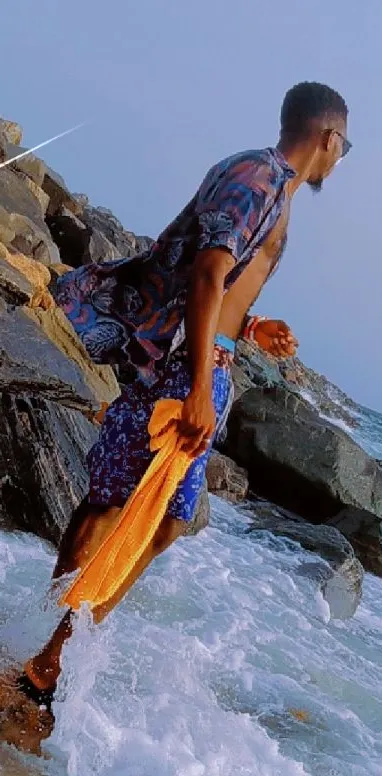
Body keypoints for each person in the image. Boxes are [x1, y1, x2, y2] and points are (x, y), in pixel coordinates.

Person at [17, 81, 350, 712]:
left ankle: (58, 641)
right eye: (344, 146)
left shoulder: (274, 191)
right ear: (328, 137)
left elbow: (216, 280)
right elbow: (203, 271)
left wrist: (249, 327)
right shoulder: (257, 176)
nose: (339, 158)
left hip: (206, 360)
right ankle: (51, 650)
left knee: (158, 517)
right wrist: (198, 386)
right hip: (181, 367)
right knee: (126, 505)